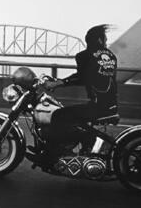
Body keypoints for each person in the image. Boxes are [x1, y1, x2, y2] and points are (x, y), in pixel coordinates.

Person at [42, 24, 119, 157]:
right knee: (74, 117)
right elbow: (94, 76)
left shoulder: (84, 55)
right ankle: (87, 145)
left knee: (59, 115)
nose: (106, 42)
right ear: (100, 40)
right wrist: (60, 81)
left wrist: (58, 83)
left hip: (97, 107)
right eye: (105, 39)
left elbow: (82, 77)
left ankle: (56, 152)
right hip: (111, 105)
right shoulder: (111, 56)